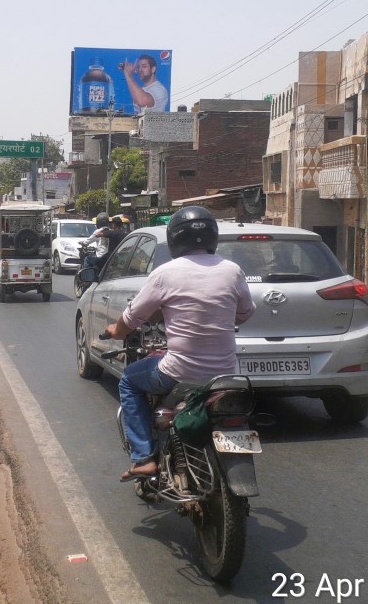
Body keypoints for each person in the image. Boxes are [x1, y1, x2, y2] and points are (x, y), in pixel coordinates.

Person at [104, 206, 255, 482]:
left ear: (175, 239)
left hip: (178, 372)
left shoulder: (166, 273)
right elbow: (245, 313)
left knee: (128, 380)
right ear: (212, 236)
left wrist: (116, 330)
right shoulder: (232, 271)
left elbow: (132, 317)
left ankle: (144, 458)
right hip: (225, 374)